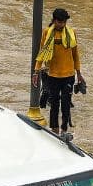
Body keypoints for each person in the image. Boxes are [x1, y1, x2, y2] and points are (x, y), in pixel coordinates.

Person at [32, 8, 82, 137]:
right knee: (54, 104)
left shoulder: (71, 33)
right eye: (59, 22)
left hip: (69, 75)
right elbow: (42, 53)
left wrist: (79, 73)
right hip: (53, 75)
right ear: (54, 20)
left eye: (64, 22)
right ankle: (55, 130)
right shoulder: (47, 33)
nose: (62, 24)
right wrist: (36, 72)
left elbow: (75, 54)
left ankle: (65, 131)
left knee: (66, 105)